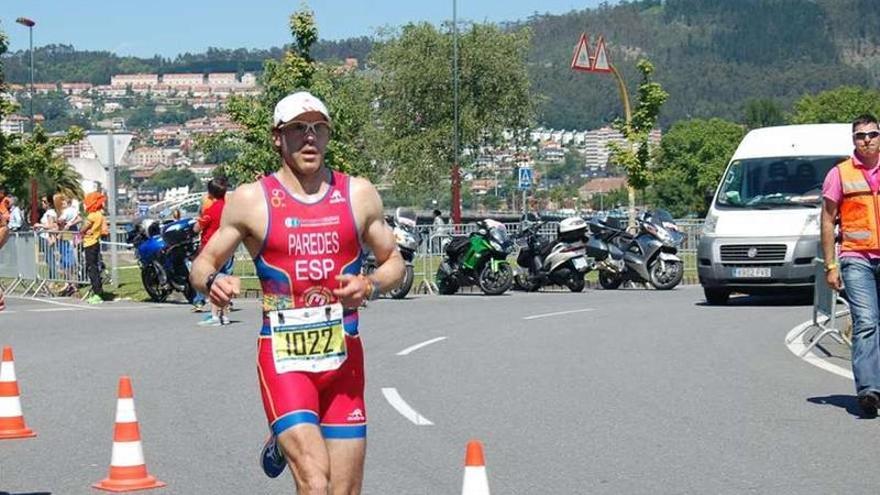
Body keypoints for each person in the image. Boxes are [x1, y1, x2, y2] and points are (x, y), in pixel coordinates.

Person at [190, 90, 404, 493]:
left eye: (318, 128)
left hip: (344, 362)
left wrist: (370, 283)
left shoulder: (357, 194)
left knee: (344, 490)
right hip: (285, 360)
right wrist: (212, 282)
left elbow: (394, 261)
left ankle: (282, 435)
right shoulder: (251, 200)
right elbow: (203, 263)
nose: (310, 138)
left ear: (328, 135)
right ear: (277, 137)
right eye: (298, 129)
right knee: (314, 479)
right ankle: (287, 429)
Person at [821, 113, 880, 418]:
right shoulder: (840, 174)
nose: (867, 139)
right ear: (853, 140)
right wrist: (831, 264)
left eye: (872, 134)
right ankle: (869, 390)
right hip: (856, 258)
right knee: (867, 320)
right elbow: (828, 220)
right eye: (860, 135)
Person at [193, 177, 232, 326]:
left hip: (211, 249)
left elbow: (197, 227)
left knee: (212, 281)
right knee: (224, 280)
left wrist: (197, 223)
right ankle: (225, 315)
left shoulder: (211, 210)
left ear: (211, 194)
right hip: (227, 246)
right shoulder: (230, 208)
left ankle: (215, 316)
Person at [81, 191, 107, 304]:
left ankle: (97, 293)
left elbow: (84, 228)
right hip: (95, 242)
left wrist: (81, 232)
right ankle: (98, 291)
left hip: (89, 243)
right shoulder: (100, 215)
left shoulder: (92, 216)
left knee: (92, 269)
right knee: (94, 267)